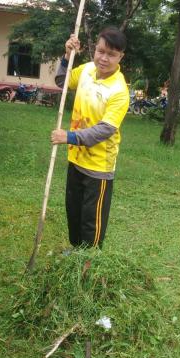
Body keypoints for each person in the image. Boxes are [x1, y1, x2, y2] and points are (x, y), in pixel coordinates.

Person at [51, 27, 129, 249]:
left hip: (98, 167)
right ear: (95, 49)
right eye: (100, 51)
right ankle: (76, 255)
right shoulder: (86, 70)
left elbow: (105, 130)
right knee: (73, 211)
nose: (104, 58)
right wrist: (67, 56)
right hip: (76, 159)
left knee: (91, 221)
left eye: (111, 54)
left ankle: (89, 262)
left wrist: (69, 136)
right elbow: (61, 82)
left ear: (120, 57)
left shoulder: (119, 90)